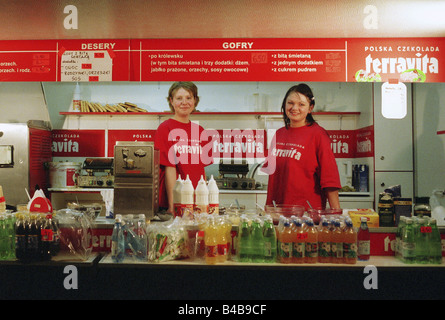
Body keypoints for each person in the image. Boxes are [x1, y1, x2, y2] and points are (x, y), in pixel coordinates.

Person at [262, 83, 341, 210]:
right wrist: (269, 207)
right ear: (284, 105)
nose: (294, 108)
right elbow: (273, 178)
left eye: (301, 104)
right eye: (290, 103)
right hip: (279, 213)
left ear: (310, 108)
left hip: (306, 215)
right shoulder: (279, 134)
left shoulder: (318, 135)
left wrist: (336, 212)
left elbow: (329, 178)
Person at [154, 82, 212, 214]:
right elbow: (170, 168)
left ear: (195, 101)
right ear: (171, 101)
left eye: (189, 97)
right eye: (179, 98)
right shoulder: (165, 129)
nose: (184, 102)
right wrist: (173, 205)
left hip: (196, 202)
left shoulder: (200, 130)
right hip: (178, 200)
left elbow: (201, 170)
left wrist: (204, 201)